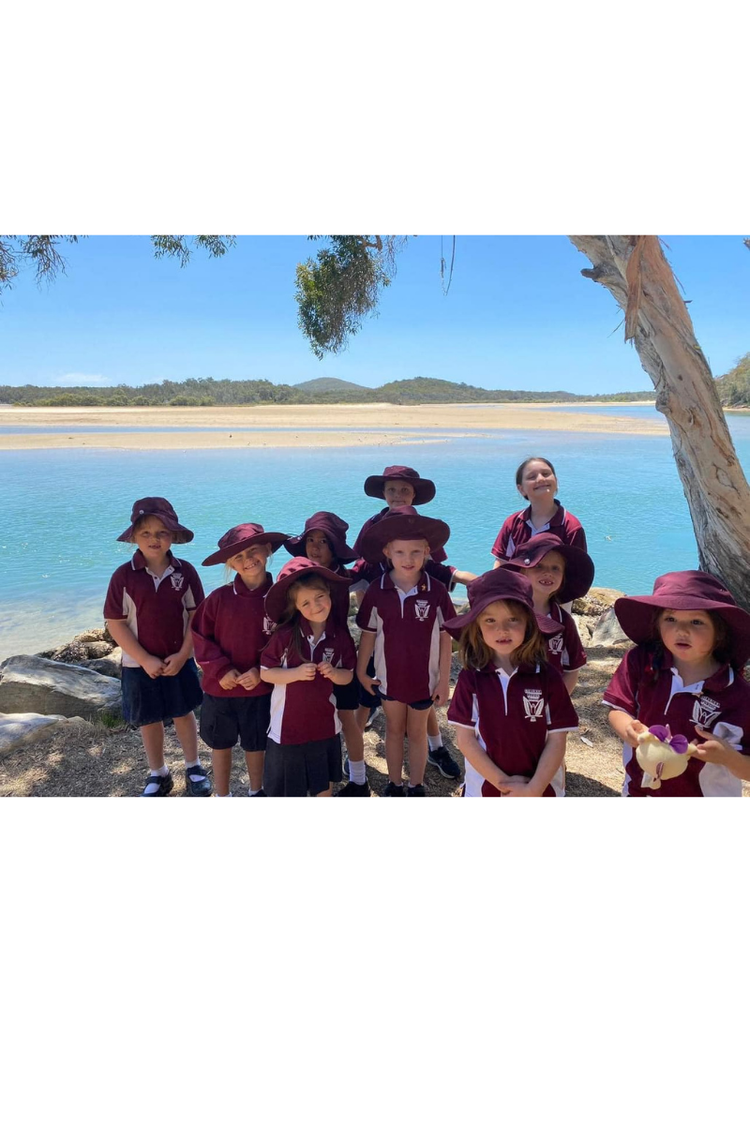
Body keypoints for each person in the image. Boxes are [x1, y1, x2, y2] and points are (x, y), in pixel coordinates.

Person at [352, 465, 474, 781]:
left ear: (414, 494)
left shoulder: (422, 530)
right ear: (383, 492)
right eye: (392, 489)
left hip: (416, 622)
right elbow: (359, 567)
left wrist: (460, 575)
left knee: (424, 697)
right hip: (381, 623)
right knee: (369, 691)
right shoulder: (373, 526)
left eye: (405, 490)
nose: (397, 495)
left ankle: (436, 749)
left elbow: (436, 567)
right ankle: (354, 759)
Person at [603, 570, 750, 797]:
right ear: (657, 624)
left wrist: (728, 757)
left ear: (720, 632)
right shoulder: (641, 661)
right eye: (670, 619)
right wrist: (629, 730)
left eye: (697, 621)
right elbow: (617, 709)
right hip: (638, 791)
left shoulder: (738, 695)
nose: (682, 630)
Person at [104, 497, 211, 797]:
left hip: (179, 659)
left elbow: (196, 617)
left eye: (162, 532)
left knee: (183, 712)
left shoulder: (185, 572)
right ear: (134, 537)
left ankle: (193, 766)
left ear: (174, 536)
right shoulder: (123, 576)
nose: (154, 539)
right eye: (146, 532)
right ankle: (158, 772)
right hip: (139, 666)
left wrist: (184, 653)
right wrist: (145, 659)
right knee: (149, 719)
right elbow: (115, 622)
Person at [445, 569, 579, 797]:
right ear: (476, 626)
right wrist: (503, 783)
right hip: (485, 788)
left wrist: (533, 788)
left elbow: (557, 740)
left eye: (513, 619)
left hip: (542, 789)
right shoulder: (471, 678)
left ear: (529, 622)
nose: (502, 629)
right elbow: (466, 739)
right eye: (490, 620)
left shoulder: (549, 677)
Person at [356, 508, 455, 795]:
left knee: (417, 733)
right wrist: (363, 671)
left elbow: (446, 637)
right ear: (387, 552)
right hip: (389, 679)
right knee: (394, 731)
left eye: (415, 552)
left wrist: (443, 680)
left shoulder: (436, 591)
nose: (408, 559)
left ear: (427, 552)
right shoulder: (378, 589)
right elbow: (368, 635)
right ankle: (395, 783)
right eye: (399, 552)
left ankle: (416, 784)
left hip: (425, 680)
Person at [191, 523, 290, 797]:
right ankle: (223, 795)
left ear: (268, 550)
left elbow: (289, 640)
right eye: (238, 557)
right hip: (220, 687)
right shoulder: (218, 599)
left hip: (261, 688)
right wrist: (220, 669)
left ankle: (256, 791)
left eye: (253, 551)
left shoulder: (282, 597)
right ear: (229, 563)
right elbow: (199, 636)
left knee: (256, 744)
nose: (248, 560)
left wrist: (263, 671)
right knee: (220, 743)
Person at [284, 511, 370, 795]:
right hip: (304, 656)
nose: (316, 546)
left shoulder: (346, 577)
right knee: (312, 718)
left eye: (323, 540)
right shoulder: (297, 577)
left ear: (335, 546)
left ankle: (358, 779)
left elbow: (373, 578)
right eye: (310, 539)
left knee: (347, 719)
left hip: (340, 654)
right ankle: (314, 775)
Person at [260, 558, 356, 797]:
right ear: (297, 608)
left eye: (319, 597)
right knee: (289, 791)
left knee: (323, 787)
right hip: (287, 730)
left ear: (329, 595)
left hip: (325, 727)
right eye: (306, 603)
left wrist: (334, 674)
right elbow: (265, 673)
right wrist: (295, 674)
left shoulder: (340, 637)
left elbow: (348, 676)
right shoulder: (284, 636)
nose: (315, 606)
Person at [503, 532, 595, 694]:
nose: (548, 573)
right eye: (539, 566)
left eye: (555, 568)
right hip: (506, 698)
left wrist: (558, 702)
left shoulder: (563, 621)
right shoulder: (505, 613)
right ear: (522, 572)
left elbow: (572, 668)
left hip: (547, 704)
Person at [491, 456, 587, 568]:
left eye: (546, 474)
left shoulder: (571, 527)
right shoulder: (513, 523)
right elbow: (501, 563)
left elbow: (578, 569)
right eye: (532, 477)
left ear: (556, 481)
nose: (541, 479)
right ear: (521, 489)